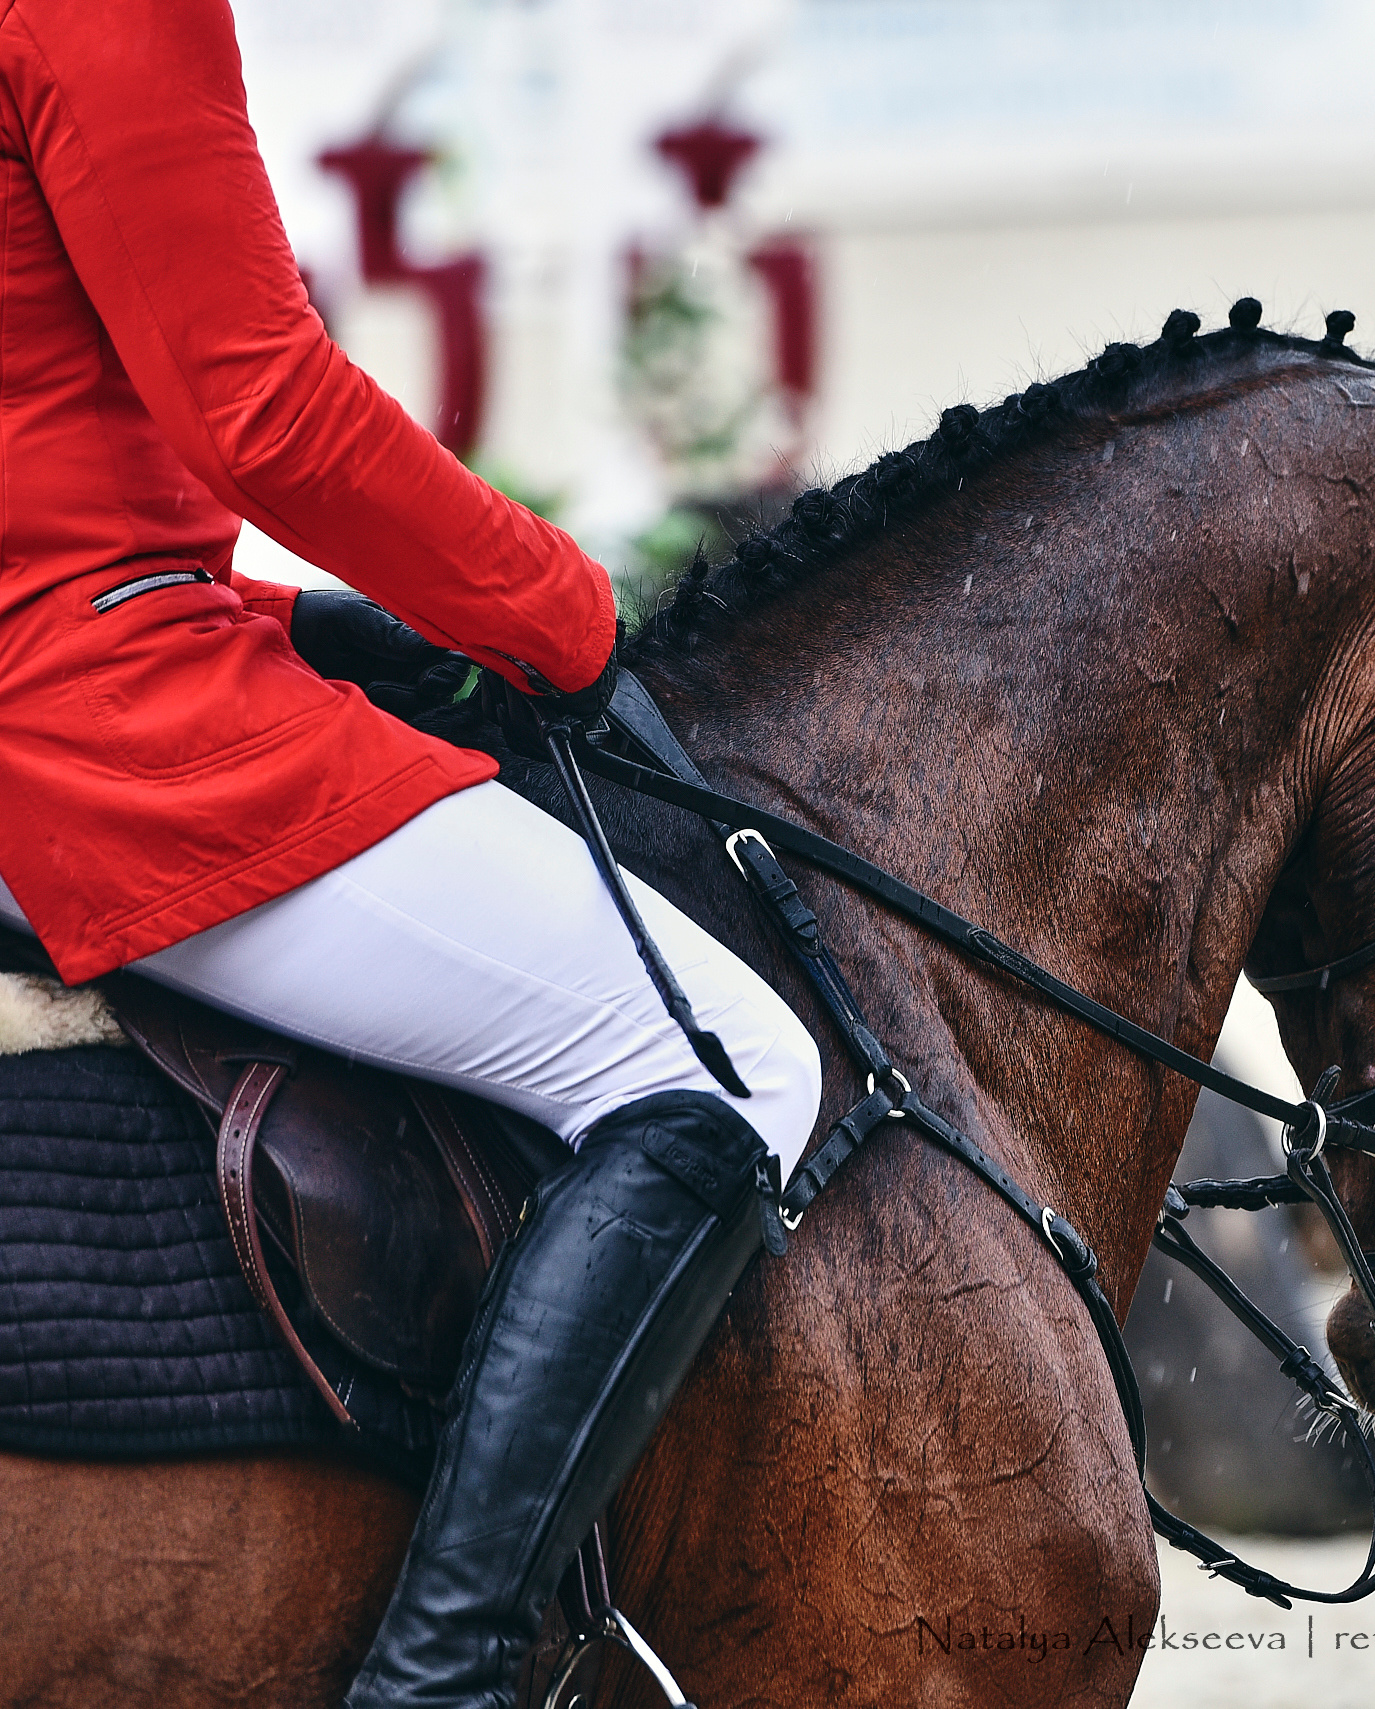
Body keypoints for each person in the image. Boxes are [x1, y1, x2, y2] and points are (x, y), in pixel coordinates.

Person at [0, 3, 823, 1705]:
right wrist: (564, 612)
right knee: (730, 1062)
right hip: (93, 732)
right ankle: (440, 1679)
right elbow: (261, 409)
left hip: (92, 646)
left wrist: (302, 615)